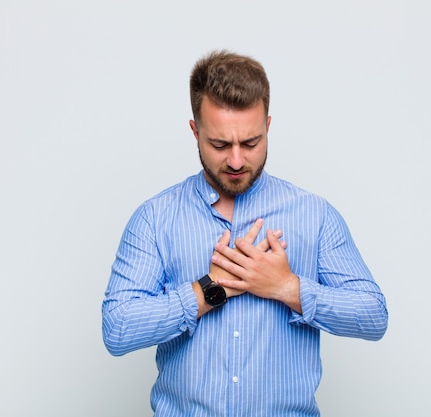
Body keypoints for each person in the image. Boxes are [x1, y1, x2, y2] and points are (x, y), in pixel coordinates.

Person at [102, 50, 388, 416]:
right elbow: (118, 329)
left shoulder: (314, 215)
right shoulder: (155, 219)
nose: (236, 161)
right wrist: (208, 290)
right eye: (220, 145)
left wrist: (287, 287)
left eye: (251, 143)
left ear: (268, 126)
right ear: (195, 130)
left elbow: (373, 316)